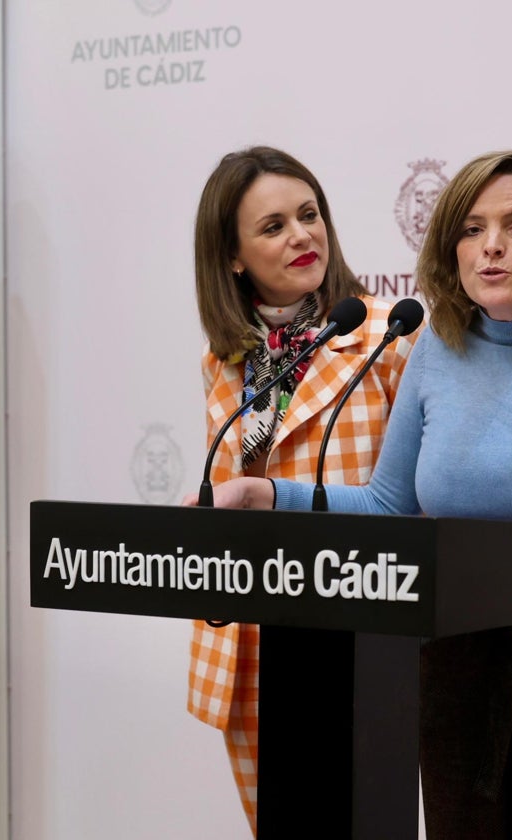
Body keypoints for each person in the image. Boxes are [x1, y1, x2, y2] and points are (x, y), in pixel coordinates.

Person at [195, 150, 512, 838]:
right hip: (457, 662)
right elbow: (388, 509)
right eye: (471, 228)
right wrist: (269, 498)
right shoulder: (437, 351)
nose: (491, 245)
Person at [186, 146, 418, 834]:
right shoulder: (223, 360)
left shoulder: (388, 335)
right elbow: (231, 481)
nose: (301, 236)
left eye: (309, 214)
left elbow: (413, 496)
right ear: (232, 256)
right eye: (274, 225)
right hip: (254, 642)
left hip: (359, 635)